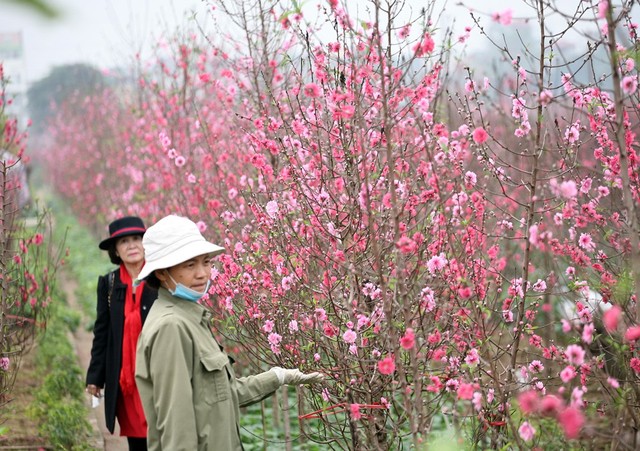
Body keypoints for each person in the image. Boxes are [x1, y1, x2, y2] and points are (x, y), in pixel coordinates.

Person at [134, 215, 324, 450]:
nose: (202, 273)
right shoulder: (171, 327)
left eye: (205, 262)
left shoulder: (190, 318)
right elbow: (177, 426)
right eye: (189, 265)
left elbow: (221, 395)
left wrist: (277, 376)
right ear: (162, 272)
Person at [86, 216, 158, 451]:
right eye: (124, 241)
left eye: (136, 239)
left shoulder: (161, 277)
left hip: (157, 374)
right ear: (116, 250)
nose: (132, 245)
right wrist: (95, 376)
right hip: (126, 378)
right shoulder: (109, 283)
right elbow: (102, 332)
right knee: (137, 439)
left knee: (162, 435)